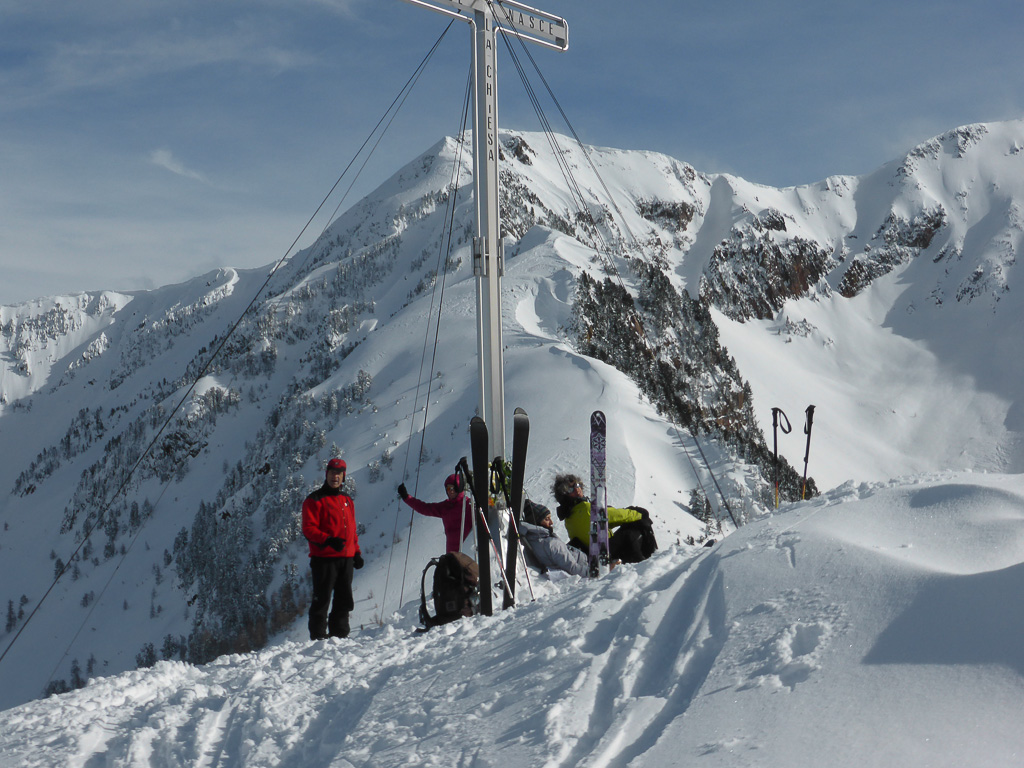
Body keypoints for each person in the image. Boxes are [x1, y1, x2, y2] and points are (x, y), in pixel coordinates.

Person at [302, 458, 363, 640]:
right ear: (326, 474)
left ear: (343, 477)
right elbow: (309, 529)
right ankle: (318, 637)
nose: (335, 477)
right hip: (324, 559)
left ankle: (340, 635)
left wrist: (356, 552)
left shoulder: (347, 500)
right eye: (332, 473)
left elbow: (352, 530)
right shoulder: (314, 500)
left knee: (344, 599)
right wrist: (328, 540)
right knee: (321, 599)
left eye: (339, 474)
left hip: (346, 559)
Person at [551, 473, 658, 564]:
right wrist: (639, 513)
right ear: (565, 495)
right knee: (636, 525)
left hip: (592, 553)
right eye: (571, 489)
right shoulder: (586, 508)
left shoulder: (568, 517)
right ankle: (649, 559)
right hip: (605, 551)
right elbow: (617, 516)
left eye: (577, 485)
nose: (577, 489)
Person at [398, 473, 473, 553]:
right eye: (448, 488)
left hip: (467, 553)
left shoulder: (469, 505)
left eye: (453, 488)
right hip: (452, 554)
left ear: (459, 487)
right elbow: (425, 508)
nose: (450, 491)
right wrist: (406, 497)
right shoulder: (445, 507)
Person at [517, 499, 590, 577]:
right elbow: (573, 569)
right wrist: (594, 572)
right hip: (585, 562)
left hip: (573, 555)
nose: (551, 522)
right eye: (547, 519)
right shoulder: (552, 544)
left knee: (576, 542)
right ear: (536, 522)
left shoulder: (531, 538)